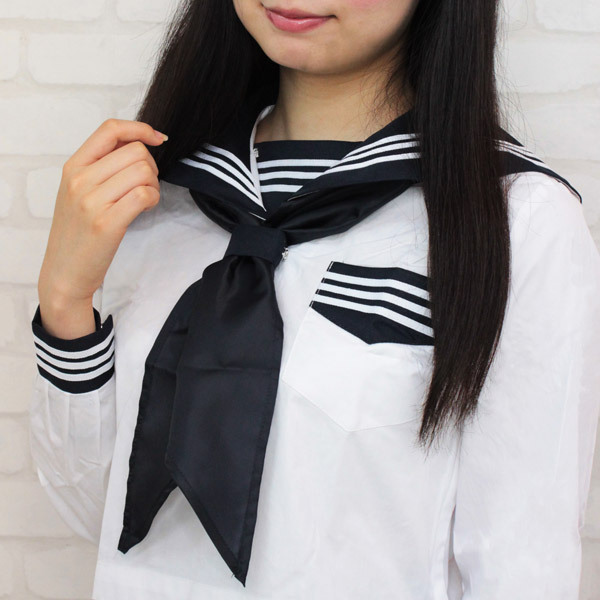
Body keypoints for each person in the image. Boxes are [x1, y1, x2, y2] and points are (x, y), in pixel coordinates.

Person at [28, 0, 600, 598]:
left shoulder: (516, 223)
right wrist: (66, 303)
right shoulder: (156, 196)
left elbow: (521, 565)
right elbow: (106, 518)